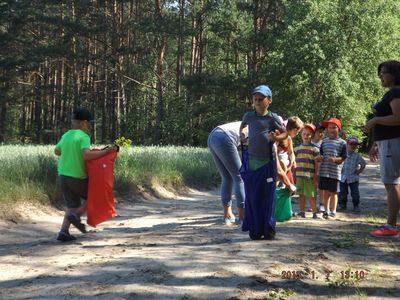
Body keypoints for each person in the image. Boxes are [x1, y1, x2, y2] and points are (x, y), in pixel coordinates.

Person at [55, 108, 118, 242]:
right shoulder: (83, 137)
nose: (89, 125)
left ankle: (63, 231)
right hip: (76, 177)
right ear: (83, 122)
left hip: (62, 176)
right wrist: (106, 152)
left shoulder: (66, 135)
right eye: (89, 123)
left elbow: (57, 151)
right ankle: (77, 216)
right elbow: (87, 155)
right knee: (95, 195)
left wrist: (69, 153)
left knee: (71, 205)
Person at [239, 85, 287, 240]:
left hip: (267, 163)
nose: (258, 102)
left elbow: (285, 133)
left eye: (261, 99)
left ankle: (268, 229)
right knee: (252, 197)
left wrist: (276, 138)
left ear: (269, 100)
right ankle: (254, 229)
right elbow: (243, 127)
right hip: (251, 162)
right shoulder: (248, 116)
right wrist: (243, 135)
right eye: (255, 99)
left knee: (267, 197)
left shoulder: (273, 118)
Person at [364, 60, 400, 238]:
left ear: (394, 74)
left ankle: (391, 226)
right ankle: (392, 224)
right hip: (387, 142)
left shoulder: (395, 92)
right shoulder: (392, 93)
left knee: (391, 183)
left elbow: (397, 119)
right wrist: (375, 144)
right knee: (392, 183)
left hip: (393, 142)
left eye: (384, 72)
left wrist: (375, 120)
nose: (381, 76)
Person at [207, 121, 245, 225]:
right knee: (240, 177)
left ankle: (227, 215)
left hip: (213, 136)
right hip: (224, 137)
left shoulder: (254, 122)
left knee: (227, 177)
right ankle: (243, 217)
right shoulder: (259, 127)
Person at [316, 117, 347, 219]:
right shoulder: (324, 142)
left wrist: (336, 159)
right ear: (327, 129)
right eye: (329, 128)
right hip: (324, 171)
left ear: (339, 129)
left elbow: (343, 157)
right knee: (325, 191)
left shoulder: (343, 143)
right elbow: (320, 155)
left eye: (334, 127)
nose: (331, 130)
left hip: (335, 172)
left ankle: (333, 211)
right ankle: (326, 210)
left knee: (333, 192)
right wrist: (319, 158)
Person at [294, 123, 320, 218]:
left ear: (312, 135)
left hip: (310, 176)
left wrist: (316, 176)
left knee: (311, 195)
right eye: (304, 134)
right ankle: (302, 211)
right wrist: (294, 176)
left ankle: (314, 212)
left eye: (308, 134)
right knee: (301, 194)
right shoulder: (296, 149)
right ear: (301, 134)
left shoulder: (315, 149)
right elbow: (294, 164)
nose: (306, 136)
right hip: (299, 176)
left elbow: (317, 163)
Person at [338, 137, 367, 212]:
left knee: (355, 194)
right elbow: (338, 163)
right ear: (347, 145)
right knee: (342, 193)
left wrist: (359, 171)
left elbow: (363, 164)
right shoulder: (343, 154)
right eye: (351, 144)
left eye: (355, 145)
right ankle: (342, 204)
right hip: (343, 178)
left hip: (353, 178)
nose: (353, 146)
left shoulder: (357, 155)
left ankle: (356, 205)